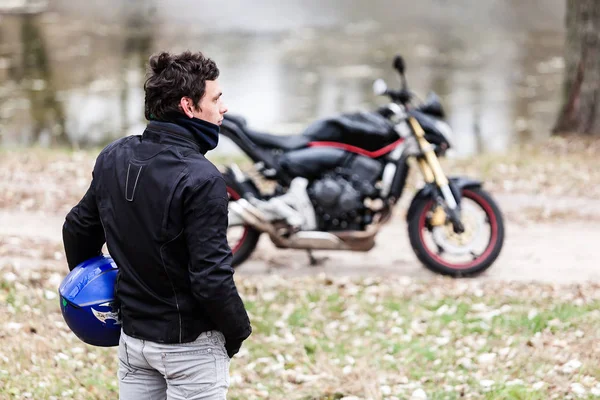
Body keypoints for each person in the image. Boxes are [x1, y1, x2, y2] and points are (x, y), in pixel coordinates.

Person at [62, 50, 252, 400]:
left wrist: (107, 288)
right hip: (192, 350)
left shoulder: (113, 156)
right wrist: (238, 331)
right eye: (216, 98)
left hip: (134, 342)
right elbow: (211, 279)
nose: (223, 108)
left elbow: (77, 229)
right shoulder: (203, 178)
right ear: (188, 106)